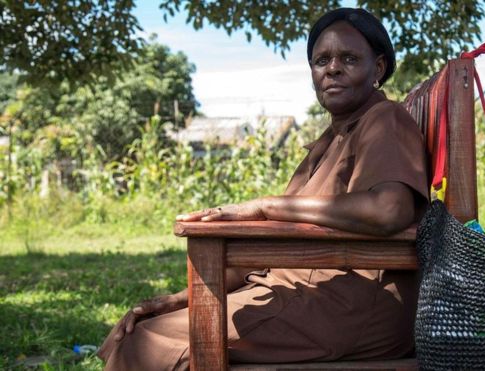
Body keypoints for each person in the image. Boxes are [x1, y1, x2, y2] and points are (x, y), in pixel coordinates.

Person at [98, 8, 429, 370]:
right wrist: (182, 298)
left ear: (378, 69)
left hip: (349, 305)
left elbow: (388, 210)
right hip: (298, 291)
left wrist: (266, 206)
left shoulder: (385, 119)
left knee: (146, 343)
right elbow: (278, 242)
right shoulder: (329, 140)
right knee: (140, 327)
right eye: (321, 61)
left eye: (349, 58)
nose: (332, 69)